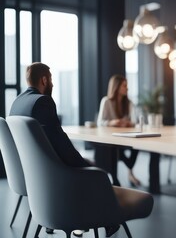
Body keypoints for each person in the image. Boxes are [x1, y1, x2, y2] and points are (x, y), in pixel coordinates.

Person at [9, 62, 126, 237]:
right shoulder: (42, 101)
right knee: (99, 174)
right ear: (44, 79)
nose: (53, 84)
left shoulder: (17, 102)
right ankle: (106, 220)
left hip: (31, 175)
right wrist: (87, 165)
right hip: (52, 179)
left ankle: (78, 219)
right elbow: (62, 146)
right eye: (51, 79)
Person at [97, 74, 141, 187]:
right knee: (114, 149)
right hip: (111, 138)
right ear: (116, 87)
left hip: (125, 136)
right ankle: (115, 180)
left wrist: (128, 123)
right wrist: (112, 122)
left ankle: (126, 171)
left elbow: (135, 121)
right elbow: (100, 122)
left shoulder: (129, 103)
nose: (127, 88)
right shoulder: (106, 101)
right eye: (124, 86)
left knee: (138, 146)